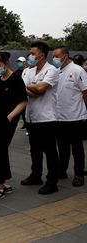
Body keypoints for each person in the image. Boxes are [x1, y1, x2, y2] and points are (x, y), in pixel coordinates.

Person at [0, 52, 27, 202]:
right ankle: (7, 183)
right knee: (1, 151)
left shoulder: (16, 79)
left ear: (6, 63)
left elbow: (23, 101)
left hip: (8, 121)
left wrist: (11, 115)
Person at [21, 41, 60, 195]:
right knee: (35, 149)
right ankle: (35, 175)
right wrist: (33, 87)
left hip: (47, 117)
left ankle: (52, 181)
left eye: (33, 53)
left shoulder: (52, 70)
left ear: (42, 54)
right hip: (31, 117)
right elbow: (32, 91)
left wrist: (31, 87)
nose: (30, 56)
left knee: (50, 151)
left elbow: (40, 89)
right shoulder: (30, 71)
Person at [53, 46, 87, 186]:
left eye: (57, 56)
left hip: (75, 116)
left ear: (65, 55)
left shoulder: (77, 70)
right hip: (60, 117)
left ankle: (79, 173)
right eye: (53, 56)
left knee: (76, 147)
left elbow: (85, 92)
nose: (54, 58)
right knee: (62, 147)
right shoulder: (57, 71)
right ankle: (62, 170)